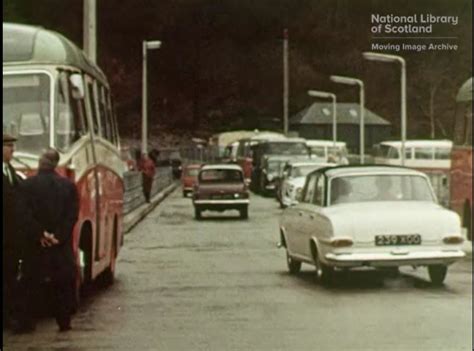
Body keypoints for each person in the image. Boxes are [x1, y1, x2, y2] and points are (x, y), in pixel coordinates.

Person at [20, 148, 79, 332]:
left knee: (31, 284)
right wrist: (58, 237)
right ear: (55, 165)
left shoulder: (27, 186)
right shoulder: (68, 186)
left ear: (40, 163)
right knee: (62, 285)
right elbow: (72, 216)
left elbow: (24, 215)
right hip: (60, 248)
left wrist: (40, 234)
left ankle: (28, 324)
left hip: (36, 246)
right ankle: (64, 323)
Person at [2, 133, 26, 331]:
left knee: (9, 277)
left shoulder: (11, 171)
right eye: (9, 146)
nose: (13, 150)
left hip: (12, 239)